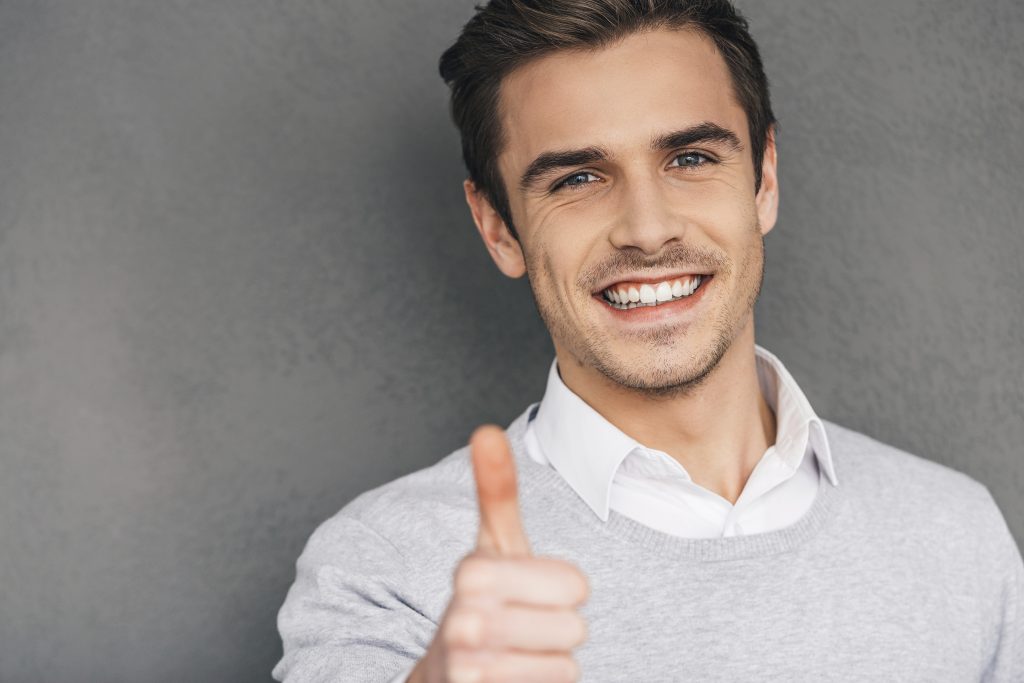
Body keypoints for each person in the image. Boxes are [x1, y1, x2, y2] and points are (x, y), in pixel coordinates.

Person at [272, 1, 1023, 681]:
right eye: (575, 179)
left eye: (690, 159)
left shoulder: (957, 531)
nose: (647, 228)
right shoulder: (384, 568)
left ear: (763, 177)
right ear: (498, 227)